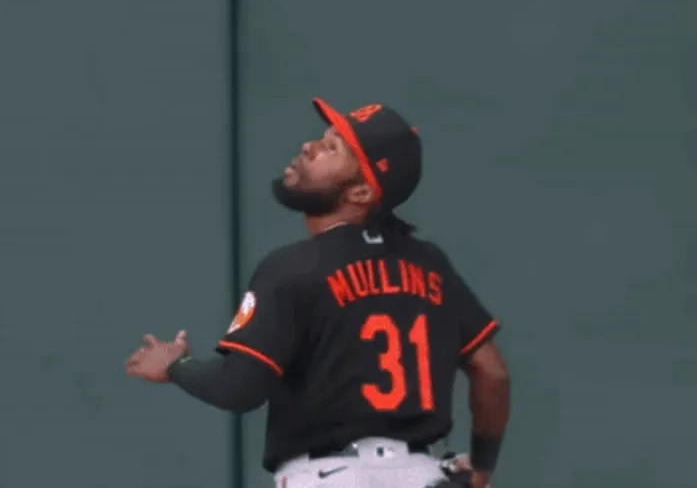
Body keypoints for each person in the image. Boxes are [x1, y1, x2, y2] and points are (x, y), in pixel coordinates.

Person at [125, 98, 510, 488]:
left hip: (328, 475)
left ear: (361, 192)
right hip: (421, 474)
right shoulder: (430, 266)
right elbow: (491, 372)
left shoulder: (294, 268)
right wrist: (482, 466)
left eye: (331, 148)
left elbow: (239, 387)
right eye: (323, 139)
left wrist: (175, 366)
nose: (309, 147)